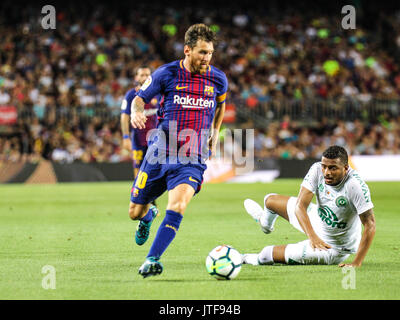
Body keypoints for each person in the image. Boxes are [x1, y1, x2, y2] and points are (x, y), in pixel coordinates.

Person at [129, 24, 228, 278]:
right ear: (187, 50)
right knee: (134, 212)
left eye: (210, 53)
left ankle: (152, 258)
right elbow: (139, 98)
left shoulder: (218, 79)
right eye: (203, 52)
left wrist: (215, 131)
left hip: (191, 158)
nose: (207, 58)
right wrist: (136, 111)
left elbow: (220, 106)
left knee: (178, 205)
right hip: (159, 153)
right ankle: (149, 215)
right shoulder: (166, 74)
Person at [242, 145, 376, 267]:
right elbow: (300, 207)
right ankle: (264, 224)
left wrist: (356, 263)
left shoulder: (355, 186)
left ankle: (243, 258)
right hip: (318, 220)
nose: (326, 172)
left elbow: (370, 225)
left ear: (346, 168)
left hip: (334, 247)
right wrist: (312, 236)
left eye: (333, 168)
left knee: (266, 255)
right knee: (270, 200)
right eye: (325, 166)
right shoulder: (317, 169)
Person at [120, 66, 161, 246]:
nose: (144, 77)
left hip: (157, 141)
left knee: (155, 173)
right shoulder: (131, 95)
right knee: (138, 176)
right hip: (138, 141)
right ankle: (145, 206)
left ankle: (149, 205)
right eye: (141, 74)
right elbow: (124, 116)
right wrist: (125, 137)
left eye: (147, 74)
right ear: (136, 77)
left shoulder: (158, 93)